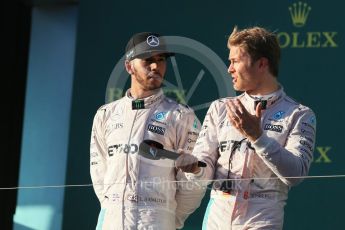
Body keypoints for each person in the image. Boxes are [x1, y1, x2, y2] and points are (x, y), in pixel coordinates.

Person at [176, 26, 317, 229]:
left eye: (235, 61)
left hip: (262, 220)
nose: (229, 69)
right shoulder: (221, 108)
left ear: (261, 64)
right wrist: (195, 166)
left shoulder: (299, 114)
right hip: (217, 219)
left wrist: (258, 137)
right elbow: (204, 170)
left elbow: (295, 174)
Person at [90, 32, 205, 230]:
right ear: (129, 66)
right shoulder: (106, 114)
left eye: (161, 60)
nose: (156, 67)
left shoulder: (181, 115)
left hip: (156, 222)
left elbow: (193, 183)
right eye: (148, 60)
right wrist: (112, 207)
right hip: (113, 222)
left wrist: (168, 217)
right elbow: (99, 172)